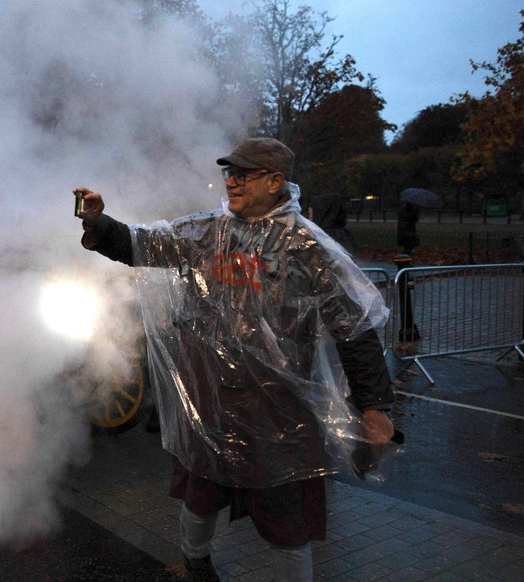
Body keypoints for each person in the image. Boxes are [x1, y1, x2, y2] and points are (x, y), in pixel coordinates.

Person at [74, 137, 397, 582]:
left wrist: (375, 407)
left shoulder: (307, 246)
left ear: (275, 181)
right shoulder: (209, 232)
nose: (230, 181)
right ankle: (195, 565)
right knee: (198, 494)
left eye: (242, 175)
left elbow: (355, 326)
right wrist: (100, 223)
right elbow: (145, 245)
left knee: (286, 524)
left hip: (278, 415)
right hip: (210, 405)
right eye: (229, 173)